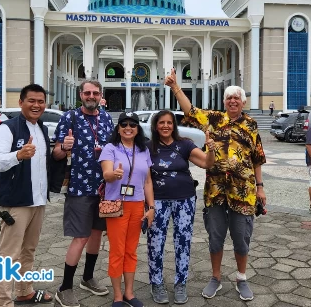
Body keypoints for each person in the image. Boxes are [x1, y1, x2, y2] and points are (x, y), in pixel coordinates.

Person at [165, 68, 267, 302]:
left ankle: (241, 277)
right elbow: (190, 110)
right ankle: (216, 278)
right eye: (229, 97)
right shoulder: (214, 119)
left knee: (242, 237)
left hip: (244, 192)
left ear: (242, 102)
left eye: (236, 98)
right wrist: (175, 87)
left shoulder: (251, 126)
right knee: (215, 237)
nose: (233, 101)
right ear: (225, 102)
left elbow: (257, 158)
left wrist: (260, 187)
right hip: (216, 191)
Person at [0, 84, 53, 306]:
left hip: (38, 200)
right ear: (21, 102)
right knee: (8, 256)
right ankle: (2, 302)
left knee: (29, 250)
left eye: (41, 101)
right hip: (16, 202)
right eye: (31, 101)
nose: (36, 105)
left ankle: (25, 291)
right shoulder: (8, 128)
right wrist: (18, 155)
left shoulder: (42, 129)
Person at [52, 80, 114, 307]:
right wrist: (65, 146)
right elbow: (56, 154)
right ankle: (65, 287)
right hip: (79, 187)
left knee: (97, 234)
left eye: (95, 93)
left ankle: (87, 278)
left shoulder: (106, 118)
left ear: (100, 95)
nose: (91, 96)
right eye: (87, 92)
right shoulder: (70, 117)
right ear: (81, 95)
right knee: (81, 237)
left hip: (104, 188)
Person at [147, 110, 216, 304]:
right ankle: (156, 283)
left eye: (169, 123)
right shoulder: (148, 146)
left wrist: (210, 149)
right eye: (161, 123)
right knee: (155, 243)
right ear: (155, 125)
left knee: (183, 242)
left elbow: (206, 163)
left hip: (184, 200)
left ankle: (181, 283)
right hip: (157, 201)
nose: (166, 126)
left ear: (173, 125)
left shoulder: (184, 144)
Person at [99, 112, 155, 307]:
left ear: (138, 128)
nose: (128, 127)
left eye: (132, 124)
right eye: (124, 124)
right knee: (117, 251)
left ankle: (129, 293)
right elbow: (106, 174)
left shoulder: (143, 150)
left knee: (131, 250)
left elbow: (148, 181)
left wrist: (151, 207)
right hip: (117, 205)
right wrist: (113, 174)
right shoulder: (110, 148)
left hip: (138, 205)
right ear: (118, 128)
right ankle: (117, 295)